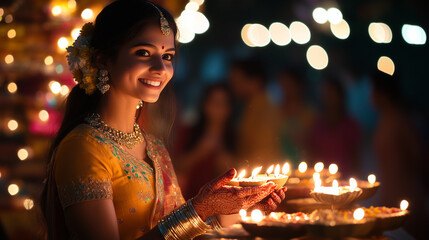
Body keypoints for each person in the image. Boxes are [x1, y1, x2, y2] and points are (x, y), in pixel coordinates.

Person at [40, 1, 286, 240]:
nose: (160, 67)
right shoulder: (84, 148)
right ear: (102, 60)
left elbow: (182, 230)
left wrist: (234, 210)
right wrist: (199, 209)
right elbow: (182, 224)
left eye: (168, 56)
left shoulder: (154, 147)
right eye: (144, 53)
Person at [371, 71, 428, 238]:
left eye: (373, 91)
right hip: (388, 198)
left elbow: (420, 156)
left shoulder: (401, 120)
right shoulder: (384, 119)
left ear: (383, 93)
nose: (370, 97)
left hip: (407, 200)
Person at [174, 83, 236, 200]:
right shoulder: (189, 132)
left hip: (221, 202)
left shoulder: (234, 137)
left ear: (229, 108)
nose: (218, 108)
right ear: (205, 104)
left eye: (223, 103)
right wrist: (200, 150)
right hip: (190, 200)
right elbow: (176, 167)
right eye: (214, 102)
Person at [228, 58, 281, 169]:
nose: (233, 85)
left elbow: (262, 153)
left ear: (255, 81)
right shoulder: (248, 105)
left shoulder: (265, 109)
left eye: (238, 80)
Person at [307, 77, 361, 177]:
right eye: (325, 93)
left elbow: (356, 157)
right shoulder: (318, 124)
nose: (328, 98)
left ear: (340, 95)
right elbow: (313, 153)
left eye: (332, 93)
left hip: (344, 178)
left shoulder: (350, 125)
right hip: (322, 179)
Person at [277, 69, 315, 166]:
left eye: (289, 84)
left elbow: (315, 143)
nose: (286, 89)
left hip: (303, 164)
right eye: (283, 85)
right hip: (280, 163)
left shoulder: (309, 113)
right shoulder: (276, 111)